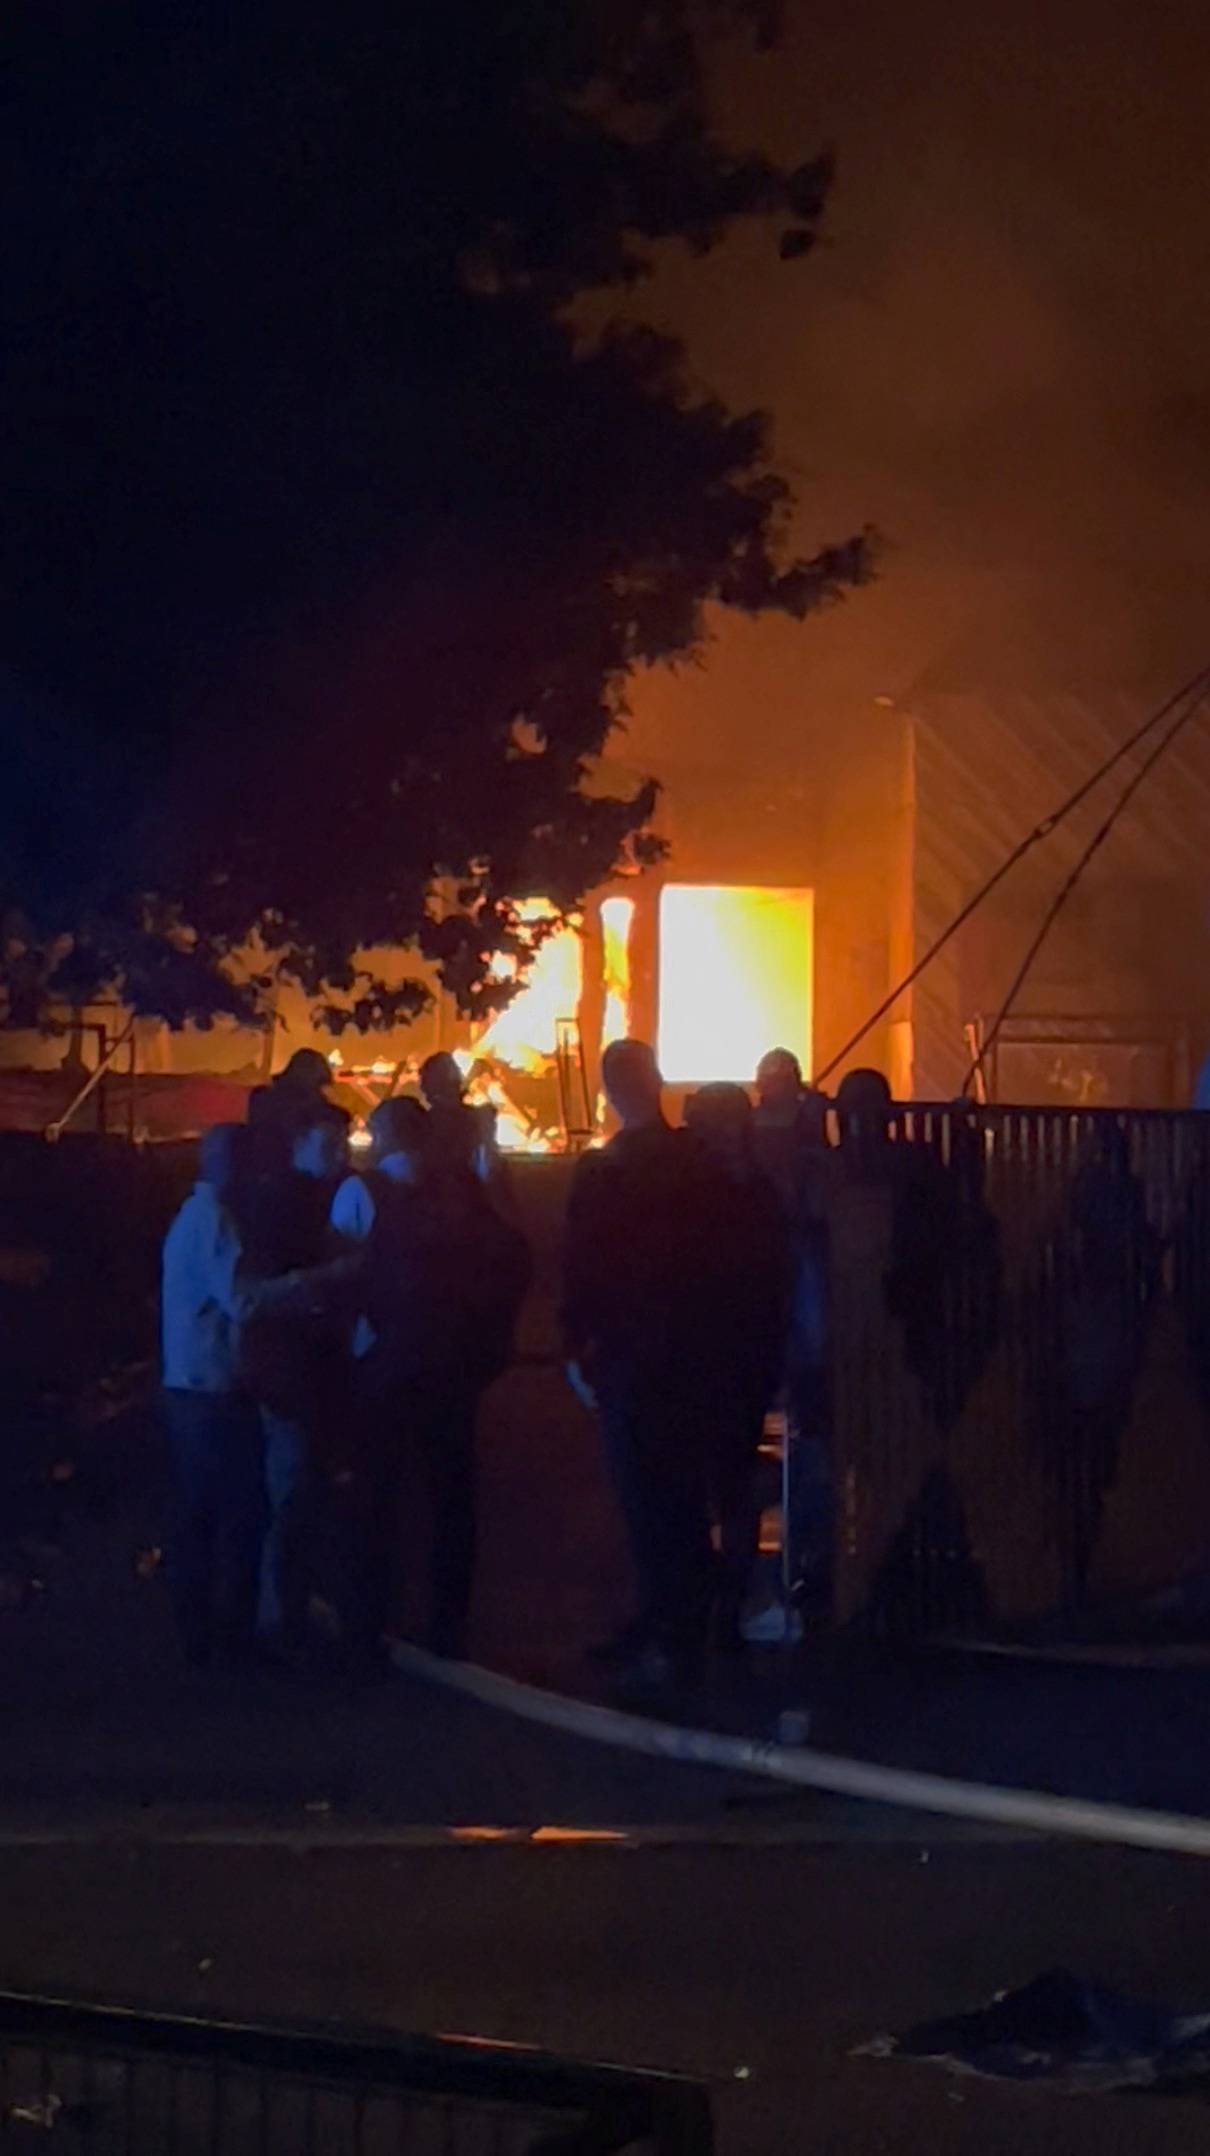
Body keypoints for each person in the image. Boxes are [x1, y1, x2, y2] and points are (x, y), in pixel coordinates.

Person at [562, 1038, 721, 1683]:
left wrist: (577, 1342)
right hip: (687, 1354)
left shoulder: (606, 1172)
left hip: (631, 1357)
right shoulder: (698, 1166)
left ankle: (668, 1632)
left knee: (646, 1496)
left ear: (608, 1090)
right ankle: (676, 1624)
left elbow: (581, 1265)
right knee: (679, 1495)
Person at [346, 1105, 531, 1656]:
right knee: (451, 1497)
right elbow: (513, 1260)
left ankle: (368, 1623)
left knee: (377, 1495)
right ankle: (448, 1625)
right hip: (454, 1369)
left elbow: (358, 1280)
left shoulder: (370, 1193)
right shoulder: (467, 1195)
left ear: (385, 1137)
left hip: (390, 1365)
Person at [159, 1124, 330, 1667]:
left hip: (193, 1386)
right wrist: (314, 1283)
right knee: (239, 1513)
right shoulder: (215, 1222)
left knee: (206, 1513)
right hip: (210, 1390)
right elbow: (243, 1301)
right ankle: (226, 1639)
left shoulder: (196, 1217)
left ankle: (202, 1635)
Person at [240, 1102, 354, 1655]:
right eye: (330, 1145)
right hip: (288, 1378)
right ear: (301, 1145)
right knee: (290, 1496)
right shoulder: (284, 1203)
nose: (341, 1156)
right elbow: (265, 1293)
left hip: (305, 1376)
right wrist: (327, 1280)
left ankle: (292, 1605)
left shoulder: (312, 1198)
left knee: (303, 1494)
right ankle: (279, 1620)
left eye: (344, 1146)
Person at [682, 1083, 791, 1646]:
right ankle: (720, 1596)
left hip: (720, 1360)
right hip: (731, 1359)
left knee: (717, 1483)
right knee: (722, 1483)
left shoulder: (733, 1197)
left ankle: (717, 1599)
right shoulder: (753, 1194)